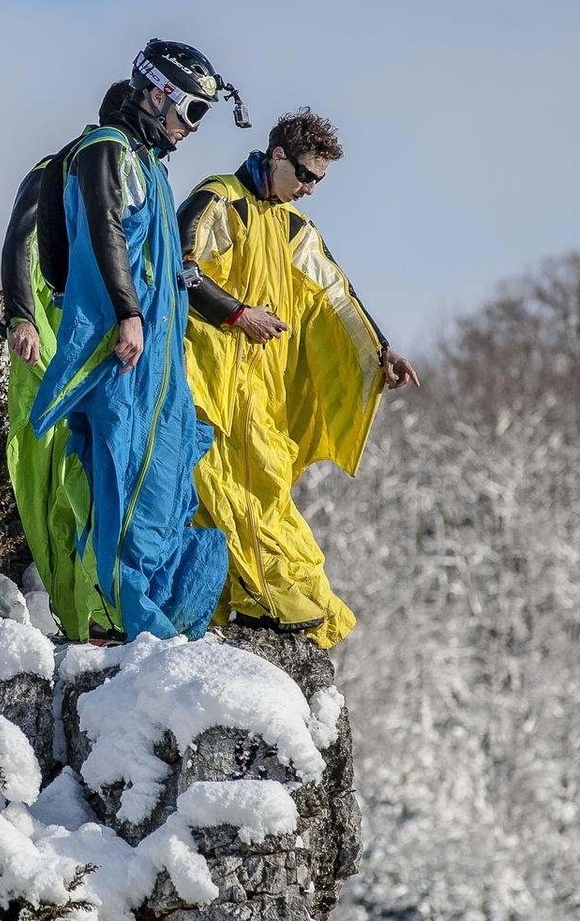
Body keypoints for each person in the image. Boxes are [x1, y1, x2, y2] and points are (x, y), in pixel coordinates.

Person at [177, 108, 420, 648]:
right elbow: (178, 266)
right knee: (223, 486)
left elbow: (336, 294)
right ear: (277, 155)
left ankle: (261, 598)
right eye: (306, 175)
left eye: (320, 181)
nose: (310, 189)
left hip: (260, 387)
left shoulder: (292, 226)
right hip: (207, 379)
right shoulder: (221, 201)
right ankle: (262, 599)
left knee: (267, 482)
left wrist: (381, 352)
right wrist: (237, 313)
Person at [29, 40, 236, 641]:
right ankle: (112, 615)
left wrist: (227, 313)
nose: (192, 128)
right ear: (156, 93)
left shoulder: (150, 166)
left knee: (163, 484)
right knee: (120, 474)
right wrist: (127, 313)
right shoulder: (106, 151)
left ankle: (145, 614)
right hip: (126, 354)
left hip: (160, 364)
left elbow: (168, 264)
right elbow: (103, 229)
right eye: (191, 111)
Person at [0, 83, 134, 641]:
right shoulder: (62, 166)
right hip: (49, 325)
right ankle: (75, 602)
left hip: (86, 329)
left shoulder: (127, 177)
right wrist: (21, 317)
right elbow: (20, 240)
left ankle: (97, 601)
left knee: (89, 461)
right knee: (52, 455)